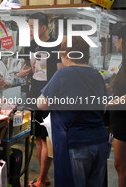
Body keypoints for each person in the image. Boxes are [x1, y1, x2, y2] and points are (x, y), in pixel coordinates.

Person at [37, 36, 109, 187]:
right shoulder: (97, 75)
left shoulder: (63, 73)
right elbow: (103, 109)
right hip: (99, 142)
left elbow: (42, 104)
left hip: (74, 143)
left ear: (66, 55)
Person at [18, 12, 62, 187]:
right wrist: (22, 73)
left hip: (49, 96)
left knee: (47, 138)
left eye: (32, 26)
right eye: (28, 26)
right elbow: (25, 69)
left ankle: (42, 178)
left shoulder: (55, 45)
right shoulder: (30, 45)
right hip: (33, 94)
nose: (29, 30)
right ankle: (44, 175)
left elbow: (60, 72)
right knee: (37, 136)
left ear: (44, 28)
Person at [109, 25, 126, 187]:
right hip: (120, 119)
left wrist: (110, 102)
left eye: (117, 39)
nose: (115, 43)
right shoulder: (122, 63)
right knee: (120, 165)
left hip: (124, 121)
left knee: (121, 165)